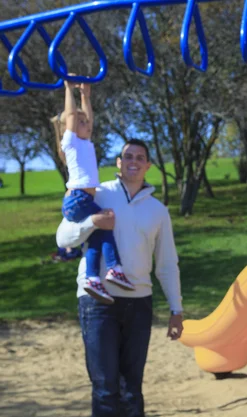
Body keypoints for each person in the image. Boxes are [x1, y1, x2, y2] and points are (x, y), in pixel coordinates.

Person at [56, 139, 184, 417]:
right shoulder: (98, 194)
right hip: (97, 304)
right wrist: (93, 222)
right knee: (104, 386)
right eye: (128, 157)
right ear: (119, 162)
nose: (133, 162)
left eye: (140, 158)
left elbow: (166, 264)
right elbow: (63, 238)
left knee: (132, 388)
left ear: (148, 165)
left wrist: (176, 309)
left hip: (139, 303)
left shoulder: (158, 211)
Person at [53, 78, 134, 304]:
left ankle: (92, 278)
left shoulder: (86, 141)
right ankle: (113, 268)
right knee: (105, 224)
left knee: (98, 234)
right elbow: (70, 116)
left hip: (81, 199)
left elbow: (89, 119)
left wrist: (86, 97)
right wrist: (68, 89)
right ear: (68, 128)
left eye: (85, 121)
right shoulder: (70, 143)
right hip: (78, 199)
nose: (85, 124)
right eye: (80, 122)